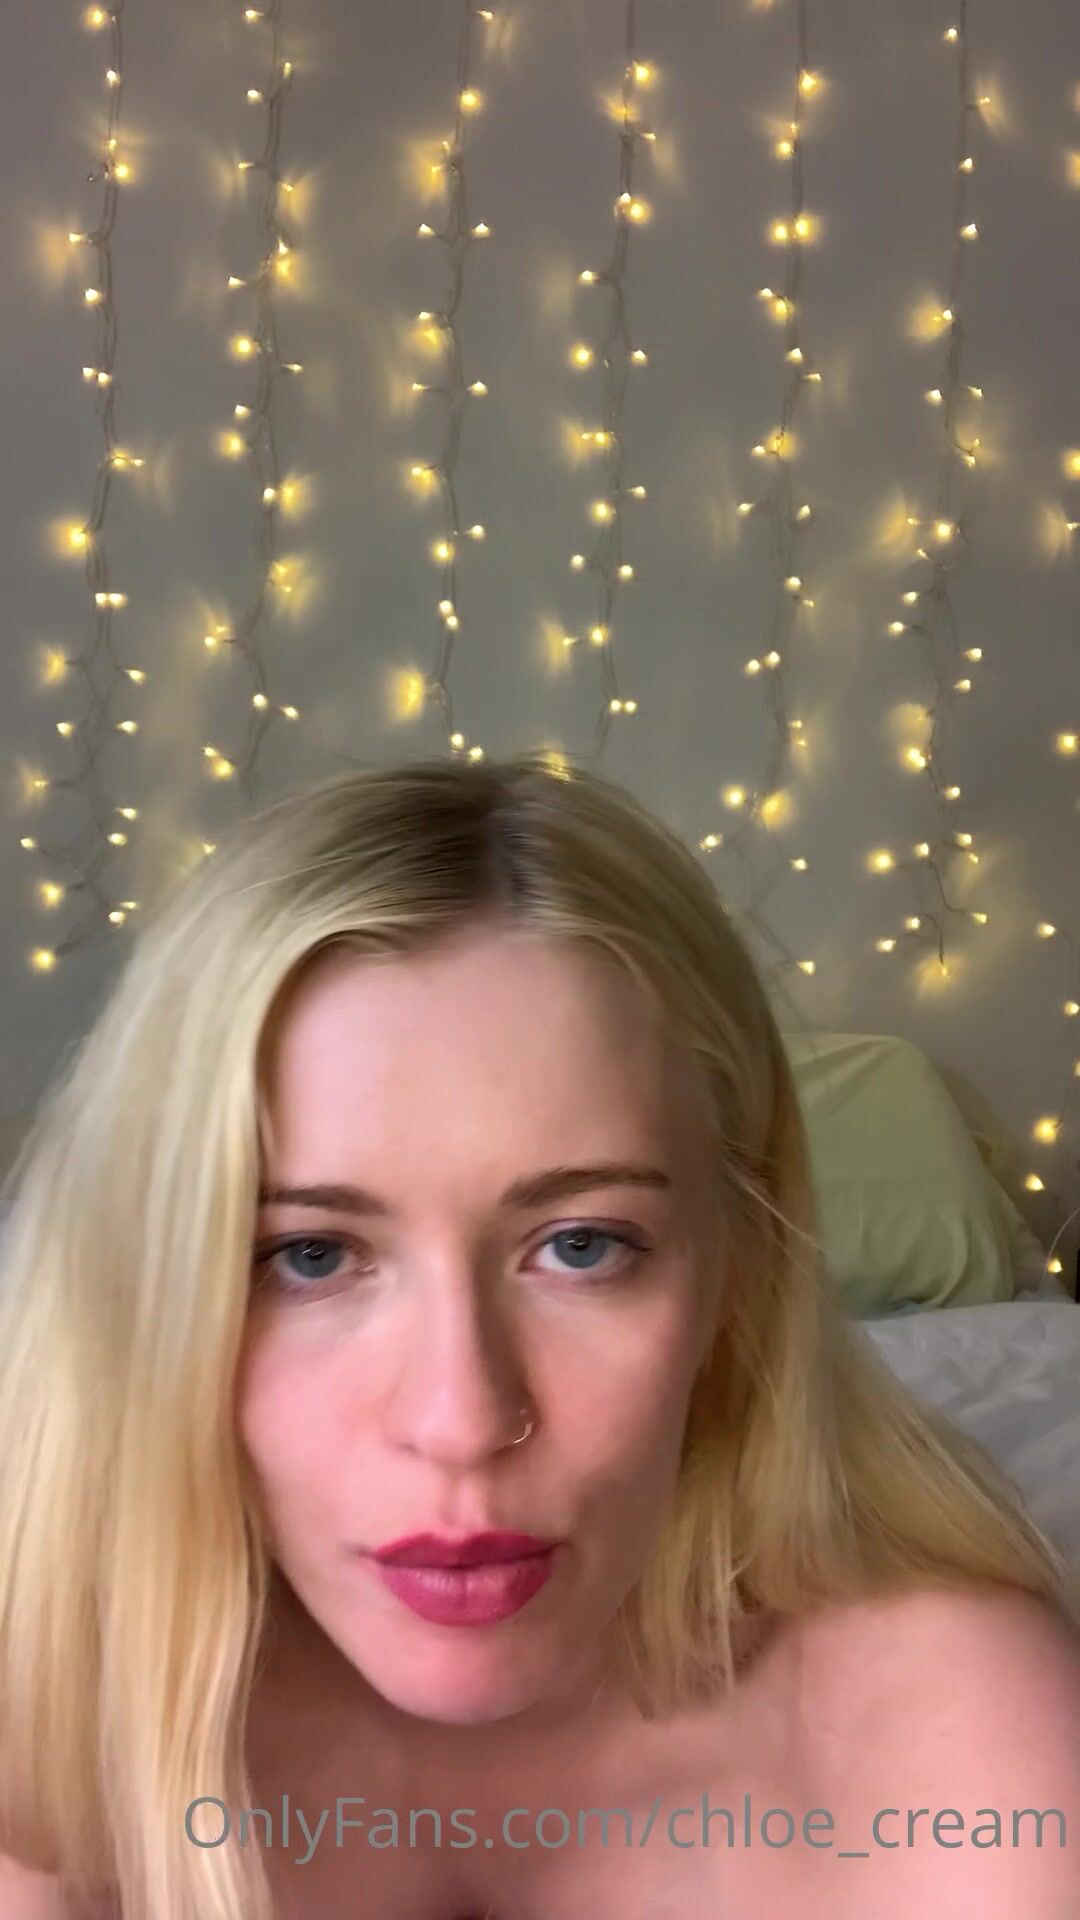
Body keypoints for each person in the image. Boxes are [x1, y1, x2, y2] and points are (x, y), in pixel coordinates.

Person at [0, 751, 1078, 1920]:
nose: (462, 1421)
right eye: (309, 1256)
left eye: (581, 1246)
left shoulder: (961, 1756)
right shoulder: (51, 1726)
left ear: (738, 1270)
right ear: (149, 1291)